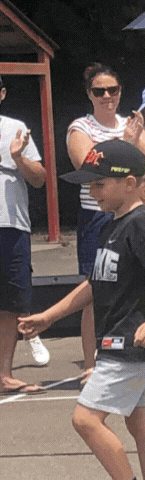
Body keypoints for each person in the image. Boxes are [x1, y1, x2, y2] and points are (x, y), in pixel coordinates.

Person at [17, 139, 145, 480]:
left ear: (130, 183)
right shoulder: (113, 227)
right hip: (129, 339)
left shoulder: (143, 224)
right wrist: (49, 316)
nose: (92, 191)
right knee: (142, 423)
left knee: (85, 419)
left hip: (132, 341)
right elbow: (96, 283)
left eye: (99, 184)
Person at [69, 64, 145, 380]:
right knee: (95, 289)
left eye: (113, 90)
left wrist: (132, 140)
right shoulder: (80, 127)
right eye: (100, 91)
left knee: (139, 283)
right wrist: (126, 142)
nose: (108, 96)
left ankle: (140, 354)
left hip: (133, 213)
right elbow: (90, 166)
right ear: (89, 95)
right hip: (98, 216)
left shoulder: (131, 123)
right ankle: (91, 363)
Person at [1, 74, 47, 394]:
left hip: (13, 225)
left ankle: (4, 374)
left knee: (11, 303)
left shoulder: (16, 128)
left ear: (2, 93)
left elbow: (40, 178)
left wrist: (18, 157)